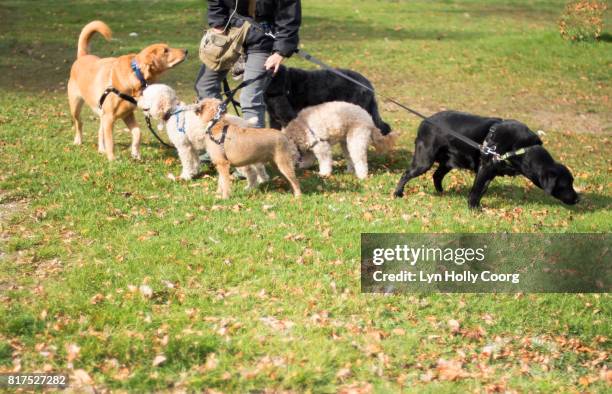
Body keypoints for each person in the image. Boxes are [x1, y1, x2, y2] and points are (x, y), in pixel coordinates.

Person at [195, 0, 301, 128]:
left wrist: (280, 52)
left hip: (263, 40)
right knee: (205, 85)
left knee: (250, 99)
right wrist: (218, 25)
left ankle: (255, 146)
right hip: (229, 33)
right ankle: (219, 138)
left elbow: (289, 18)